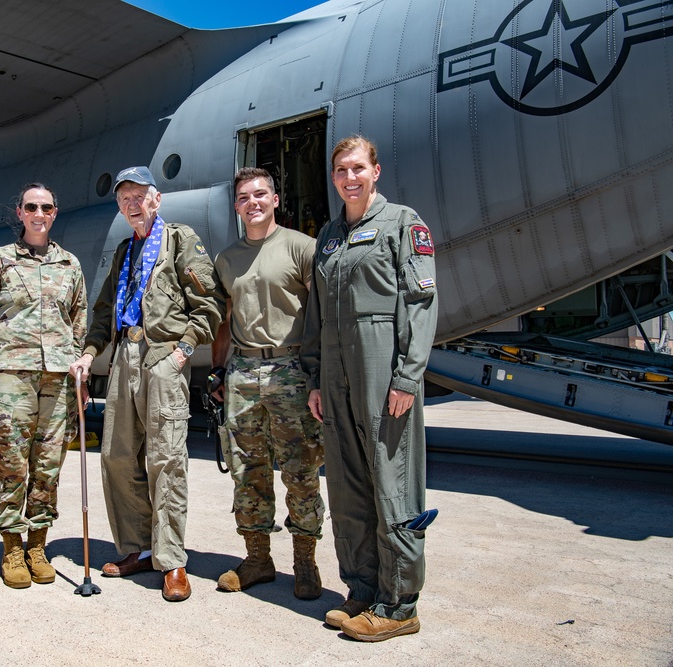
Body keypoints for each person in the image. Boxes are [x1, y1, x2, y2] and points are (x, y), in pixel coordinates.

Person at [300, 135, 438, 641]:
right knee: (349, 486)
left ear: (375, 171)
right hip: (335, 379)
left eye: (358, 168)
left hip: (383, 372)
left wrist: (407, 375)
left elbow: (421, 304)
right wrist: (315, 379)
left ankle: (400, 606)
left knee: (391, 482)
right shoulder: (331, 236)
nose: (349, 177)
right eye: (341, 170)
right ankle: (362, 590)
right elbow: (317, 316)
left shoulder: (403, 223)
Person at [69, 166, 222, 602]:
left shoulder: (179, 240)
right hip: (124, 356)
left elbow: (209, 303)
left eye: (139, 196)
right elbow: (103, 310)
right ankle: (137, 548)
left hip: (163, 358)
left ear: (156, 199)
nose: (132, 205)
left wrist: (182, 353)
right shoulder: (124, 251)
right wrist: (88, 352)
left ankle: (172, 560)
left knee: (166, 459)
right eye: (124, 199)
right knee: (117, 456)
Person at [209, 167, 324, 599]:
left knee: (301, 470)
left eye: (260, 194)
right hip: (242, 375)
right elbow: (224, 321)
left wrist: (318, 377)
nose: (252, 202)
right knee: (247, 472)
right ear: (236, 206)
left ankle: (305, 562)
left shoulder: (301, 248)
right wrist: (218, 371)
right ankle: (257, 558)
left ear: (275, 200)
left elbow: (321, 317)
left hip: (292, 371)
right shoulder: (227, 259)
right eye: (243, 197)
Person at [0, 183, 87, 589]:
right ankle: (10, 546)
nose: (40, 213)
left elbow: (78, 322)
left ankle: (38, 544)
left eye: (47, 207)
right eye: (31, 207)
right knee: (12, 462)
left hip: (57, 378)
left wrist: (80, 375)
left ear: (55, 213)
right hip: (9, 375)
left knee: (49, 464)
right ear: (19, 212)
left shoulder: (69, 264)